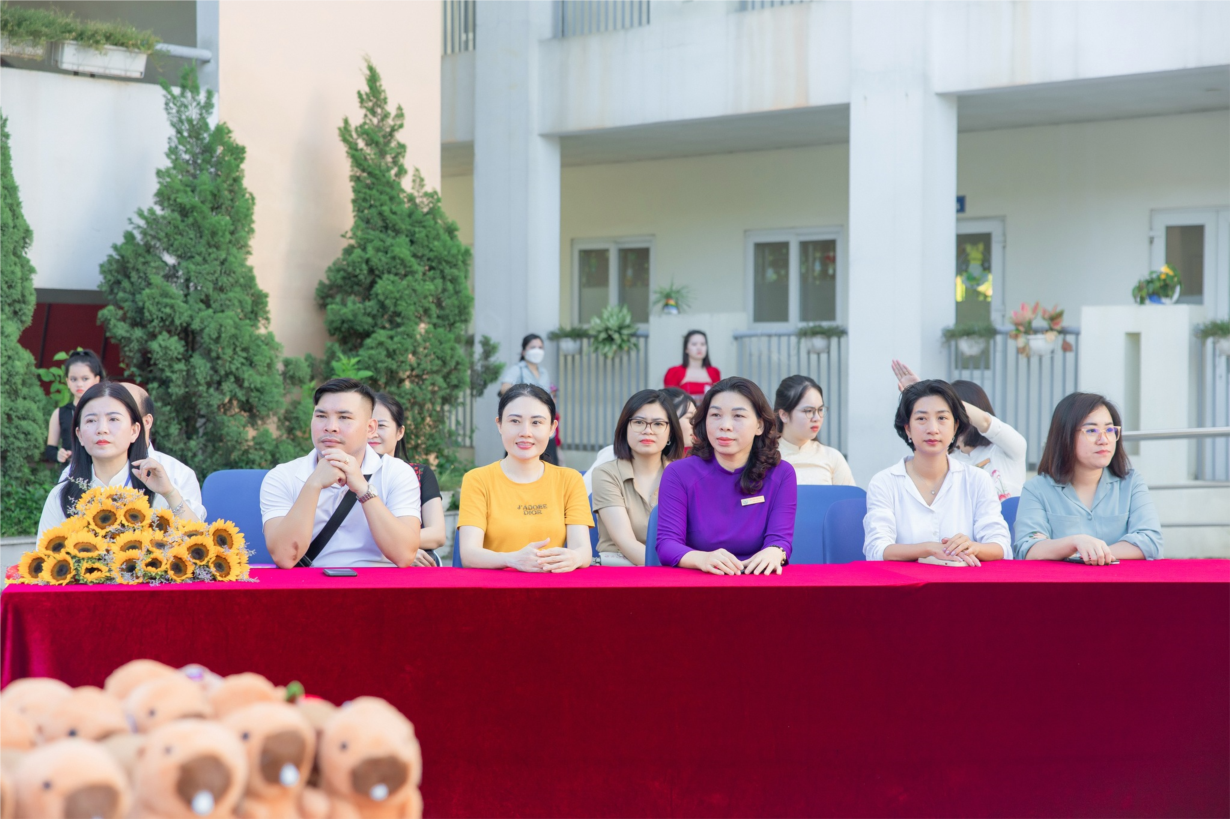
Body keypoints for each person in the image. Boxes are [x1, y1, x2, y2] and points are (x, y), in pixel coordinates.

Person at [261, 379, 422, 569]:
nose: (330, 427)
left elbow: (404, 555)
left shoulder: (397, 473)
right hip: (310, 582)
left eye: (344, 417)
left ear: (370, 428)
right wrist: (313, 485)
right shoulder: (282, 476)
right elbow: (284, 557)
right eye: (321, 416)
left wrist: (363, 489)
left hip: (376, 581)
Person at [655, 377, 796, 574]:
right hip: (700, 577)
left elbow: (780, 540)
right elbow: (667, 545)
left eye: (738, 416)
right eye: (715, 415)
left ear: (759, 425)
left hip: (757, 577)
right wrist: (702, 558)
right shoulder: (678, 473)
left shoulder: (782, 474)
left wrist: (775, 551)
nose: (725, 426)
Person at [863, 379, 1011, 566]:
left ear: (955, 427)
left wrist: (974, 547)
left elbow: (1001, 546)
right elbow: (876, 550)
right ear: (907, 429)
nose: (932, 429)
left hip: (964, 580)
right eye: (921, 419)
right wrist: (929, 549)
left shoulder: (977, 479)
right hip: (905, 582)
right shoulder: (884, 482)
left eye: (942, 418)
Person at [457, 383, 594, 571]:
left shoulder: (569, 480)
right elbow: (469, 554)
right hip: (494, 585)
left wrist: (575, 558)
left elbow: (583, 550)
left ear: (552, 428)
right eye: (515, 421)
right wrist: (511, 559)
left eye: (536, 422)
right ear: (499, 425)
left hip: (552, 583)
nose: (525, 433)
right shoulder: (477, 480)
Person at [1014, 393, 1162, 562]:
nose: (1103, 440)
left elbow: (1151, 542)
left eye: (1109, 430)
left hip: (1120, 578)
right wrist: (1075, 542)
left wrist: (1093, 553)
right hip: (1063, 579)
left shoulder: (1131, 483)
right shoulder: (1036, 489)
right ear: (1065, 436)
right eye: (1091, 430)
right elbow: (1028, 548)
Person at [37, 382, 200, 535]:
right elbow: (45, 553)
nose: (102, 429)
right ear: (79, 435)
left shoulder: (156, 488)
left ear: (134, 431)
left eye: (113, 419)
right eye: (91, 420)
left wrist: (170, 493)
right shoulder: (61, 495)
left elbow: (197, 542)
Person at [892, 360, 1027, 498]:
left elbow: (985, 422)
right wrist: (923, 396)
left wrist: (934, 395)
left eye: (946, 413)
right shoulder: (949, 460)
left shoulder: (1009, 449)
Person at [590, 390, 685, 566]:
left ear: (670, 432)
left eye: (658, 424)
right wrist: (675, 569)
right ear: (625, 428)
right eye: (639, 422)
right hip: (620, 572)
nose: (648, 431)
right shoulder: (606, 474)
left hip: (672, 573)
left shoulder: (682, 475)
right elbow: (625, 542)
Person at [369, 392, 446, 566]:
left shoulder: (419, 474)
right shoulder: (345, 476)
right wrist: (399, 548)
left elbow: (437, 534)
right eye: (368, 426)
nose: (372, 433)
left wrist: (403, 548)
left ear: (400, 432)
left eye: (381, 426)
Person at [583, 386, 697, 493]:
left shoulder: (680, 470)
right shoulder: (611, 458)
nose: (648, 430)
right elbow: (584, 495)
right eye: (689, 418)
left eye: (657, 424)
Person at [773, 374, 855, 486]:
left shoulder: (833, 458)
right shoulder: (762, 458)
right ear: (784, 415)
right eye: (808, 411)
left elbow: (848, 496)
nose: (817, 418)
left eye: (820, 410)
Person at [499, 334, 559, 465]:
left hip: (541, 423)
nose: (537, 350)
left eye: (540, 347)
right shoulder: (518, 369)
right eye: (533, 347)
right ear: (524, 351)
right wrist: (523, 395)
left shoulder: (544, 372)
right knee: (517, 461)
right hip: (523, 424)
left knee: (549, 463)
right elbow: (504, 388)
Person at [45, 348, 104, 464]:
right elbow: (50, 450)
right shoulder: (60, 413)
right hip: (71, 471)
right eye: (74, 379)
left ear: (97, 379)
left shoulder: (106, 410)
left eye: (85, 379)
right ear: (67, 381)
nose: (79, 384)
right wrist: (59, 455)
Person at [663, 330, 720, 397]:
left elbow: (717, 397)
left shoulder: (714, 372)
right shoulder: (674, 372)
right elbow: (669, 399)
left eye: (703, 344)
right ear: (686, 349)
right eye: (694, 344)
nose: (699, 348)